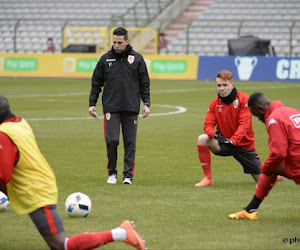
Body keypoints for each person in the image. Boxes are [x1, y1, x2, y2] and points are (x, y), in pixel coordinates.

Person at [0, 95, 145, 250]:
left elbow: (4, 176)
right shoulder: (20, 123)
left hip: (35, 191)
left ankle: (121, 233)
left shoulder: (4, 134)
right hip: (41, 183)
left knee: (61, 245)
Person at [88, 27, 151, 185]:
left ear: (127, 42)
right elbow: (96, 83)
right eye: (114, 42)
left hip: (131, 107)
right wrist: (92, 104)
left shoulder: (137, 59)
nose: (116, 45)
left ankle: (128, 176)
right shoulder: (105, 60)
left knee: (130, 143)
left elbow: (145, 83)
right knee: (112, 140)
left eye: (120, 42)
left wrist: (146, 104)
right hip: (111, 107)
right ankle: (112, 173)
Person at [229, 92, 300, 220]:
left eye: (257, 115)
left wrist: (264, 168)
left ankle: (250, 210)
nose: (260, 119)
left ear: (260, 108)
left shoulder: (273, 118)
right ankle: (250, 210)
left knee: (270, 168)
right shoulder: (291, 111)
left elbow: (278, 153)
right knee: (273, 168)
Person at [194, 70, 261, 187]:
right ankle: (208, 179)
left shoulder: (244, 99)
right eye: (219, 85)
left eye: (225, 85)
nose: (221, 88)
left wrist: (233, 140)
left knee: (262, 182)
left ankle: (272, 174)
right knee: (202, 139)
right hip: (224, 143)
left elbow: (244, 125)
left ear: (232, 85)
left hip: (243, 145)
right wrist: (215, 135)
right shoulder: (214, 103)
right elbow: (207, 125)